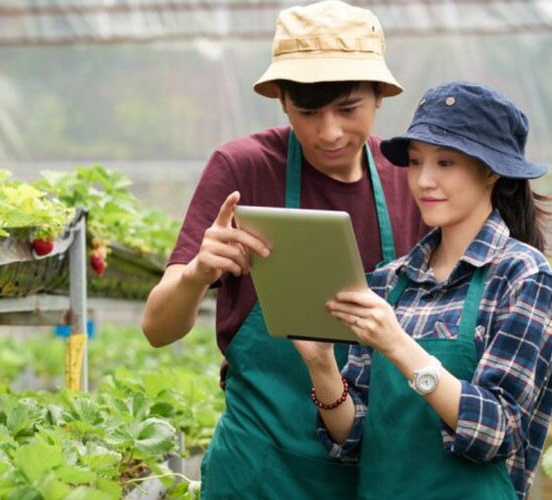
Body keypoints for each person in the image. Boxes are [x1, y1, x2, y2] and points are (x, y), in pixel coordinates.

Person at [141, 1, 428, 498]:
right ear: (282, 102)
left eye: (348, 109)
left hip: (378, 467)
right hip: (259, 469)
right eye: (308, 112)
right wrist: (195, 275)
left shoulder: (411, 179)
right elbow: (157, 330)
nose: (329, 132)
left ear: (380, 95)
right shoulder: (245, 168)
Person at [294, 80, 552, 500]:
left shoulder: (522, 276)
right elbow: (353, 437)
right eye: (415, 162)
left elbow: (496, 431)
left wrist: (396, 343)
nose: (424, 181)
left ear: (491, 171)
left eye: (445, 163)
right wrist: (321, 364)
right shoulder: (389, 281)